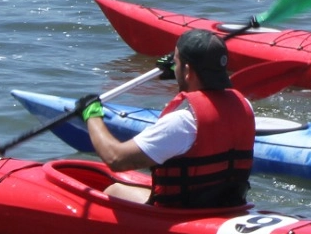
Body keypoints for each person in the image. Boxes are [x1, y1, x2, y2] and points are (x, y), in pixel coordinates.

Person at [74, 29, 255, 207]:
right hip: (229, 205)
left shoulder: (182, 122)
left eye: (176, 62)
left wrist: (92, 115)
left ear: (187, 70)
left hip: (181, 212)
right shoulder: (244, 106)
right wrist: (179, 71)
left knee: (114, 190)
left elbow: (115, 159)